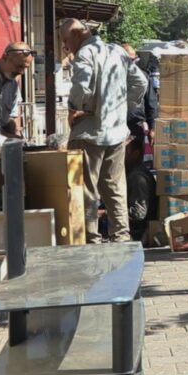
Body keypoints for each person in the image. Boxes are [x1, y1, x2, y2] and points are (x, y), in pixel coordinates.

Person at [60, 18, 148, 243]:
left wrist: (75, 108)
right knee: (115, 187)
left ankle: (91, 238)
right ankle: (121, 236)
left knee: (87, 189)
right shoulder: (117, 51)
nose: (66, 47)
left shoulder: (85, 54)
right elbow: (141, 82)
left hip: (90, 133)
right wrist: (123, 106)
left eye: (66, 41)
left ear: (79, 34)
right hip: (117, 132)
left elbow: (80, 87)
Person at [125, 121, 157, 244]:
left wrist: (107, 214)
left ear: (136, 154)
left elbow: (138, 214)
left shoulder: (137, 177)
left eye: (125, 152)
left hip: (138, 231)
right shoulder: (132, 173)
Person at [122, 44, 158, 139]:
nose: (132, 63)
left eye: (134, 60)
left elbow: (151, 102)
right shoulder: (111, 76)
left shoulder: (143, 76)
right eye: (129, 60)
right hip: (116, 125)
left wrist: (153, 127)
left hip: (136, 125)